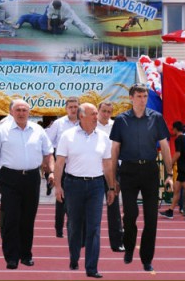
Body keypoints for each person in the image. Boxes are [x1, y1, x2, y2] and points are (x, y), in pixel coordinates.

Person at [0, 99, 55, 270]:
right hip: (9, 178)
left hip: (31, 178)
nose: (21, 113)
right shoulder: (2, 131)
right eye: (18, 110)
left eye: (24, 110)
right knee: (12, 218)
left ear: (29, 112)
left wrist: (50, 171)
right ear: (12, 112)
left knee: (28, 219)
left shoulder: (38, 130)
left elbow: (48, 153)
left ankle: (26, 254)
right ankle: (11, 257)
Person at [109, 83, 173, 273]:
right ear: (131, 98)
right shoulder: (121, 120)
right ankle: (129, 248)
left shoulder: (156, 118)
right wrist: (113, 180)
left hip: (150, 171)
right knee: (130, 215)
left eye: (145, 96)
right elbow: (115, 150)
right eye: (139, 96)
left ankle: (147, 258)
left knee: (151, 218)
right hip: (128, 171)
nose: (143, 99)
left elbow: (165, 147)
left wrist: (169, 174)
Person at [54, 103, 115, 278]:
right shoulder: (68, 136)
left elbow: (107, 164)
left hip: (96, 185)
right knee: (74, 225)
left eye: (97, 113)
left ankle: (91, 267)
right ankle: (74, 256)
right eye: (93, 114)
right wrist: (58, 186)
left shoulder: (103, 137)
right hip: (73, 185)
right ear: (81, 116)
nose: (97, 117)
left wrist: (110, 187)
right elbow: (60, 163)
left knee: (94, 227)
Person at [45, 96, 80, 238]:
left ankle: (72, 227)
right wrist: (51, 167)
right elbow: (48, 143)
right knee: (61, 199)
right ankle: (59, 229)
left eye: (75, 107)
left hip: (78, 165)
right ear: (66, 109)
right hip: (62, 165)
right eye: (70, 107)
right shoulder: (59, 124)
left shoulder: (84, 123)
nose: (73, 109)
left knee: (77, 200)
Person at [95, 101, 125, 252]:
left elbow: (121, 148)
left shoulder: (116, 126)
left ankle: (117, 241)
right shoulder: (91, 125)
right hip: (93, 168)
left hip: (112, 169)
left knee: (113, 206)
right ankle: (85, 239)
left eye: (109, 111)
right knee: (90, 207)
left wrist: (117, 175)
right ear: (98, 110)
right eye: (104, 111)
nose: (106, 114)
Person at [159, 121, 185, 221]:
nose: (172, 131)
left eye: (173, 129)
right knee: (177, 189)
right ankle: (170, 210)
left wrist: (170, 163)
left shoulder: (179, 139)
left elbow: (178, 153)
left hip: (183, 168)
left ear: (176, 129)